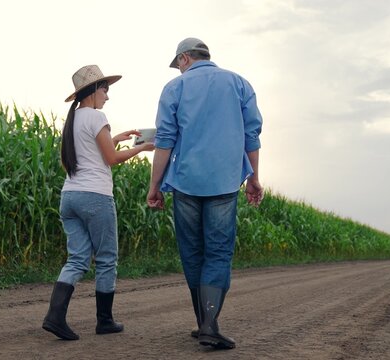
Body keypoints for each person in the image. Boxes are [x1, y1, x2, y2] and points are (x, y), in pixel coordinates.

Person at [146, 38, 264, 350]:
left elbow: (165, 140)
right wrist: (253, 177)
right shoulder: (239, 83)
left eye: (178, 63)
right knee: (219, 252)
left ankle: (205, 323)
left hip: (186, 182)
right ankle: (209, 324)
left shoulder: (175, 88)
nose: (179, 69)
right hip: (225, 182)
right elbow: (251, 134)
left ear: (185, 58)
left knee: (193, 253)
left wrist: (154, 186)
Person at [43, 65, 155, 341]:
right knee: (106, 259)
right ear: (93, 90)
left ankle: (54, 316)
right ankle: (104, 321)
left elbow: (92, 151)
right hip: (96, 197)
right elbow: (111, 159)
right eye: (105, 89)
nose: (107, 95)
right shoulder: (96, 116)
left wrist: (116, 138)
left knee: (77, 259)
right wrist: (143, 147)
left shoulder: (73, 121)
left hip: (70, 197)